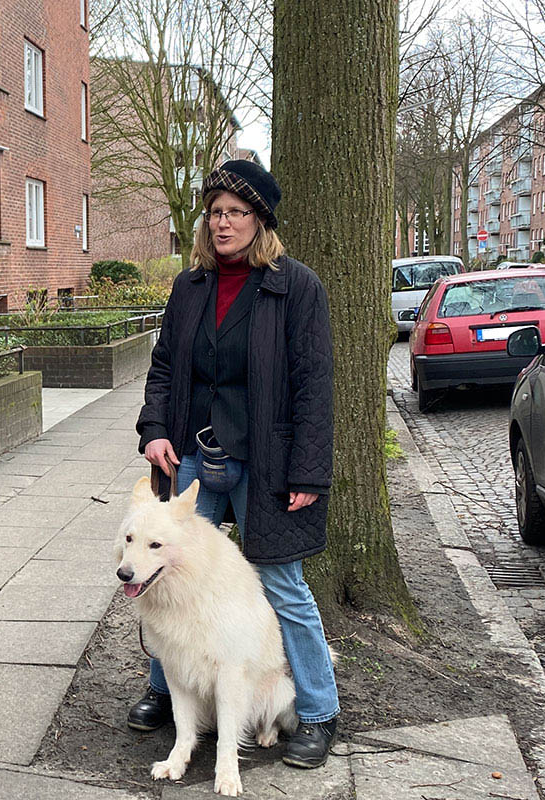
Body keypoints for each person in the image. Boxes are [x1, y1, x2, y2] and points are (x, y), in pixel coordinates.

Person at [130, 159, 340, 768]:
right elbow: (165, 367)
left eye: (236, 213)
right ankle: (164, 695)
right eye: (215, 213)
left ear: (260, 221)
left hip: (268, 462)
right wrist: (153, 432)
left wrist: (308, 471)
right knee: (164, 576)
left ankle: (319, 713)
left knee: (282, 584)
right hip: (192, 453)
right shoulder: (188, 287)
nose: (223, 224)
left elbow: (313, 385)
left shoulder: (295, 287)